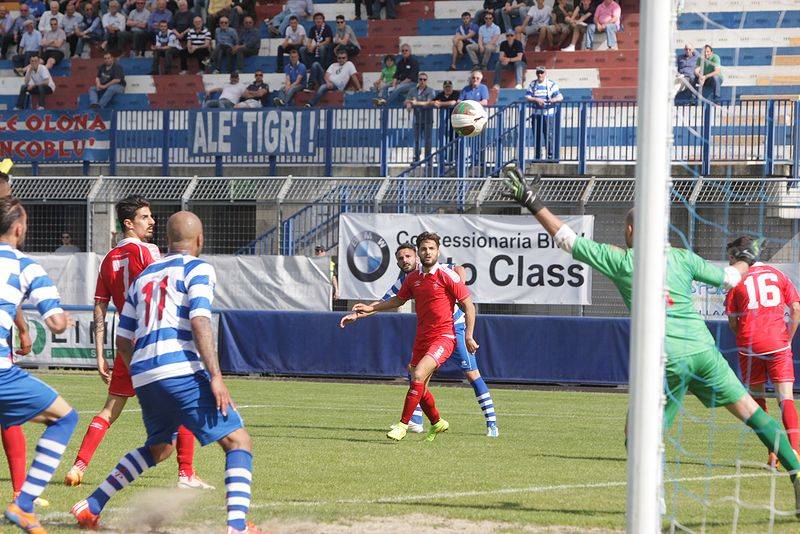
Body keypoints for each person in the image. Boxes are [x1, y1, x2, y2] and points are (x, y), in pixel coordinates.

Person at [500, 163, 800, 511]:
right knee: (751, 410)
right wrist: (748, 258)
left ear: (630, 228)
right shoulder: (683, 258)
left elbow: (567, 239)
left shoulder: (623, 260)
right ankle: (796, 470)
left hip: (665, 358)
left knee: (638, 432)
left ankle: (652, 503)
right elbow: (731, 279)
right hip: (704, 350)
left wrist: (532, 201)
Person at [70, 211, 256, 533]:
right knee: (238, 441)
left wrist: (142, 374)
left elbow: (123, 339)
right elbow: (200, 321)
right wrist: (216, 376)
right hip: (178, 369)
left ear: (167, 241)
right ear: (200, 240)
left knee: (160, 448)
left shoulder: (146, 275)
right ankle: (237, 527)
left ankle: (91, 505)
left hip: (143, 371)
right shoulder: (198, 268)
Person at [64, 195, 211, 490]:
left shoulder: (108, 260)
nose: (152, 221)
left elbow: (99, 310)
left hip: (125, 346)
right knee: (184, 401)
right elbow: (160, 285)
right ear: (128, 224)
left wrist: (100, 356)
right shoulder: (148, 252)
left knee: (109, 410)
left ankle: (78, 466)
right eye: (145, 217)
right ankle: (186, 474)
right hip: (154, 342)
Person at [341, 244, 499, 437]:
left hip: (454, 328)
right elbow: (386, 302)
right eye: (400, 258)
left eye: (408, 256)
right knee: (417, 376)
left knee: (472, 375)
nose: (404, 260)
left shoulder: (434, 268)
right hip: (429, 333)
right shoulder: (407, 280)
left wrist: (460, 288)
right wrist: (358, 315)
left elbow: (458, 269)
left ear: (417, 256)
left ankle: (491, 424)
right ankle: (418, 422)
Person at [0, 197, 77, 534]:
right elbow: (56, 322)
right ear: (18, 228)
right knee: (65, 416)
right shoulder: (26, 266)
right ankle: (24, 504)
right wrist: (64, 321)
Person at [724, 236, 800, 468]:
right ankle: (795, 453)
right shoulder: (777, 275)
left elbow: (732, 321)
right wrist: (788, 338)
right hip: (778, 344)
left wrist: (744, 337)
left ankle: (773, 453)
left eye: (731, 256)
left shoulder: (737, 279)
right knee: (785, 398)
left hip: (750, 345)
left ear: (740, 255)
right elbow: (796, 309)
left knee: (757, 399)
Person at [525, 65, 562, 159]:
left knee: (548, 135)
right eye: (538, 73)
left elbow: (560, 97)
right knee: (537, 135)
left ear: (545, 73)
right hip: (535, 114)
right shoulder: (532, 84)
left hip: (547, 114)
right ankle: (538, 156)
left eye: (542, 72)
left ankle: (550, 156)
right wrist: (536, 99)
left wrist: (552, 100)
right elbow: (527, 97)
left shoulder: (551, 84)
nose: (540, 74)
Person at [404, 72, 435, 163]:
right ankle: (417, 159)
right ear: (418, 80)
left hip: (427, 119)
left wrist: (416, 103)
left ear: (426, 81)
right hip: (417, 119)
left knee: (427, 141)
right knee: (416, 140)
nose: (422, 81)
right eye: (420, 79)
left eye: (424, 79)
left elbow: (429, 102)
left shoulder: (430, 90)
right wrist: (409, 103)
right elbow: (405, 101)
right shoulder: (412, 90)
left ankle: (428, 159)